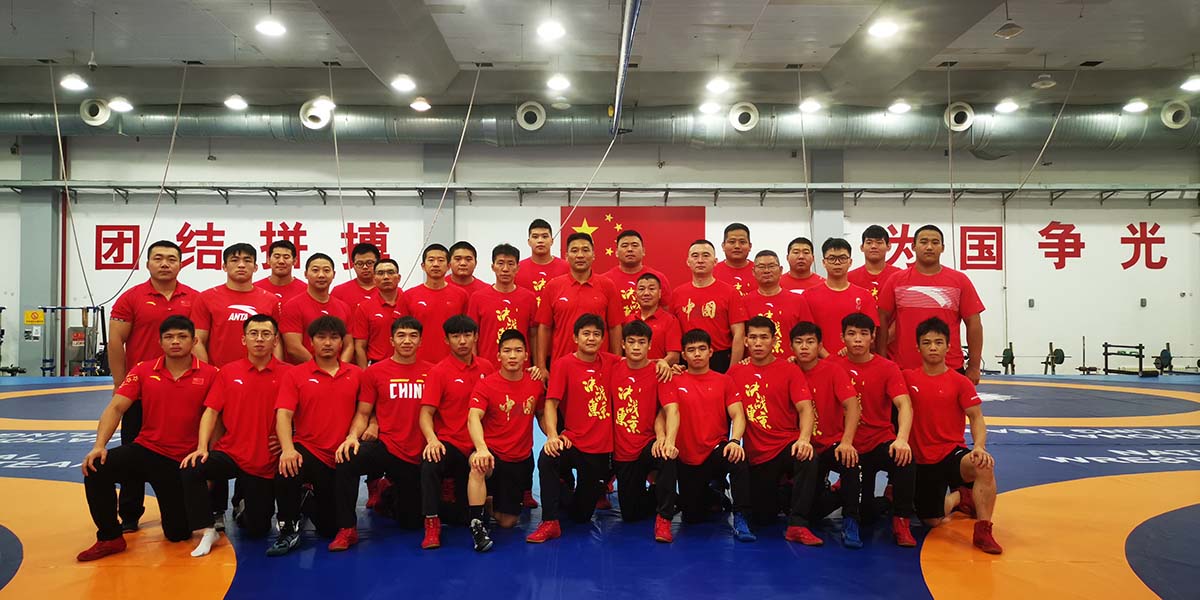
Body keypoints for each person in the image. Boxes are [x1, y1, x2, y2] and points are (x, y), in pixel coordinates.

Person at [76, 315, 218, 561]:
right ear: (160, 342)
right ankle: (110, 537)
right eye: (169, 337)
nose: (175, 342)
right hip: (147, 450)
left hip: (181, 461)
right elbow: (116, 408)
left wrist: (207, 470)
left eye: (182, 336)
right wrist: (99, 445)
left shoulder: (211, 374)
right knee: (97, 467)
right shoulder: (143, 370)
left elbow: (216, 420)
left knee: (178, 534)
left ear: (194, 341)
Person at [180, 314, 290, 557]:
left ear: (275, 340)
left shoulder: (289, 374)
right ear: (243, 339)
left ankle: (243, 503)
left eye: (266, 334)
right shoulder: (228, 372)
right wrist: (202, 447)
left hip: (265, 459)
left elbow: (302, 414)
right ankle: (208, 529)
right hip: (231, 452)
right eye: (253, 333)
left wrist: (288, 441)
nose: (259, 339)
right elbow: (211, 412)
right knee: (192, 467)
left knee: (257, 529)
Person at [107, 240, 197, 532]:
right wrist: (120, 383)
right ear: (147, 264)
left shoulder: (194, 298)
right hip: (142, 390)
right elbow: (115, 341)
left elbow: (200, 342)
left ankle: (191, 507)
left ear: (180, 264)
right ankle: (130, 513)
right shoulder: (131, 298)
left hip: (184, 389)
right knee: (133, 449)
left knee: (188, 449)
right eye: (158, 258)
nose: (165, 263)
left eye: (171, 258)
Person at [331, 317, 433, 549]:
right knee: (347, 458)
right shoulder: (374, 372)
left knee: (411, 523)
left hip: (417, 453)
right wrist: (352, 437)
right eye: (401, 335)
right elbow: (363, 413)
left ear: (420, 341)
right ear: (391, 340)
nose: (407, 341)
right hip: (387, 446)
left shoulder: (433, 372)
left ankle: (387, 492)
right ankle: (347, 528)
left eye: (413, 336)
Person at [904, 317, 1002, 554]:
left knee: (983, 465)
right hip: (921, 460)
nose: (933, 347)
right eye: (927, 343)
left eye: (939, 342)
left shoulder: (960, 382)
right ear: (918, 347)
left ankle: (983, 530)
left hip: (951, 454)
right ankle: (961, 497)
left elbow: (976, 417)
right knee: (932, 521)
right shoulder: (906, 378)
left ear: (948, 346)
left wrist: (979, 447)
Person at [727, 316, 822, 545]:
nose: (758, 343)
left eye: (764, 337)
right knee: (763, 517)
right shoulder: (735, 373)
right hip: (758, 456)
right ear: (746, 341)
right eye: (753, 338)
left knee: (808, 456)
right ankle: (785, 495)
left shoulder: (789, 370)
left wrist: (804, 439)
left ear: (774, 341)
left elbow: (805, 409)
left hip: (786, 445)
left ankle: (798, 525)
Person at [273, 316, 364, 553]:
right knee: (287, 468)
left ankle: (307, 499)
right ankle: (288, 529)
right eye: (321, 337)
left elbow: (364, 412)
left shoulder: (356, 374)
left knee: (329, 528)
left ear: (342, 342)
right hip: (310, 449)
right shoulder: (295, 375)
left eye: (334, 338)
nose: (327, 343)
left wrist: (354, 436)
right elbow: (284, 415)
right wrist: (287, 449)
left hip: (342, 455)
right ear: (311, 342)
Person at [526, 314, 618, 543]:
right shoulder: (563, 364)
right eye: (586, 334)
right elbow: (551, 403)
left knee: (581, 516)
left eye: (596, 334)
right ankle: (549, 522)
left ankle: (559, 490)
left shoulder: (613, 362)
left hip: (600, 450)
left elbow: (641, 362)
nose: (591, 338)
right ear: (575, 338)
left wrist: (664, 363)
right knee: (548, 457)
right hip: (572, 441)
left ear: (603, 339)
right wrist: (553, 436)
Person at [828, 312, 917, 547]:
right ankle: (858, 499)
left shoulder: (887, 368)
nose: (858, 339)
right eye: (851, 334)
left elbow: (904, 404)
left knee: (905, 459)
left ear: (872, 337)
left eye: (863, 334)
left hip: (878, 441)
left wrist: (902, 439)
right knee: (865, 515)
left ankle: (901, 521)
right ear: (842, 337)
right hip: (847, 446)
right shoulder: (832, 366)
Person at [663, 328, 755, 542]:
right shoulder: (673, 380)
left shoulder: (724, 381)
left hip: (715, 450)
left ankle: (741, 517)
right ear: (683, 355)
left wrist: (735, 441)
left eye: (702, 349)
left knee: (737, 457)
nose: (697, 354)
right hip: (686, 456)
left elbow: (738, 414)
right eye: (691, 350)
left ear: (711, 352)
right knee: (692, 517)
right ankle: (715, 495)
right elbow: (665, 412)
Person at [464, 329, 547, 552]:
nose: (512, 356)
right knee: (478, 464)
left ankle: (488, 503)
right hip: (492, 454)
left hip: (519, 459)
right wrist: (481, 448)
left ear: (526, 356)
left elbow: (541, 414)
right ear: (498, 355)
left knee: (507, 522)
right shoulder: (486, 384)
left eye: (518, 351)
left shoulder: (535, 383)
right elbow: (473, 416)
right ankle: (477, 525)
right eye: (507, 351)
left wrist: (553, 436)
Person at [418, 315, 493, 549]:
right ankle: (432, 524)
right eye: (455, 336)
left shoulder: (487, 367)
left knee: (465, 518)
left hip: (479, 445)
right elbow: (426, 413)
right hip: (451, 444)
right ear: (446, 340)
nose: (462, 341)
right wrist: (432, 440)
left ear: (476, 337)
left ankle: (485, 507)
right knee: (431, 460)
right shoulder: (439, 372)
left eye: (467, 335)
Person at [877, 224, 985, 384]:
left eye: (935, 242)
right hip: (905, 369)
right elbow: (881, 320)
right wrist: (881, 360)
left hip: (950, 368)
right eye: (923, 242)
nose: (929, 247)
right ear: (913, 246)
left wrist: (974, 366)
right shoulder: (896, 280)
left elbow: (974, 323)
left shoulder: (959, 281)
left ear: (943, 248)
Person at [790, 321, 864, 549]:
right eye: (799, 342)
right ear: (791, 346)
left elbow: (853, 406)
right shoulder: (787, 370)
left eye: (810, 342)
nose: (804, 347)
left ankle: (851, 520)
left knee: (850, 461)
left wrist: (846, 442)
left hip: (830, 444)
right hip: (799, 447)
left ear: (820, 345)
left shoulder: (833, 370)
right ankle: (827, 497)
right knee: (796, 509)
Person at [610, 319, 680, 542]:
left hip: (648, 444)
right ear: (623, 344)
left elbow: (672, 409)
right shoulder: (612, 367)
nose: (636, 347)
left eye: (642, 342)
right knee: (630, 514)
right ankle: (668, 496)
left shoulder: (659, 371)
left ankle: (664, 518)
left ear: (649, 345)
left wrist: (668, 441)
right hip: (622, 452)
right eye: (631, 342)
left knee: (667, 455)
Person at [533, 232, 623, 372]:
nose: (580, 255)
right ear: (566, 256)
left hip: (599, 368)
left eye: (585, 250)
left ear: (593, 255)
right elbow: (544, 328)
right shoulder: (553, 286)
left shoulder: (607, 286)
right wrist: (541, 366)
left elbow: (614, 327)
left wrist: (617, 364)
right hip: (561, 367)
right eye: (574, 251)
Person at [192, 243, 282, 367]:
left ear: (255, 267)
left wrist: (276, 371)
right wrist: (208, 372)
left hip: (261, 372)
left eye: (247, 260)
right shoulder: (206, 298)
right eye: (234, 260)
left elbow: (276, 342)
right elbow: (197, 340)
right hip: (219, 373)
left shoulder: (270, 300)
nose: (241, 265)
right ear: (224, 266)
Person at [673, 239, 747, 373]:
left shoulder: (730, 292)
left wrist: (732, 371)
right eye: (695, 256)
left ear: (715, 261)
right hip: (688, 360)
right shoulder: (677, 294)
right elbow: (672, 334)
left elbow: (739, 334)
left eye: (706, 255)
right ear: (688, 261)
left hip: (721, 359)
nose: (700, 260)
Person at [802, 238, 878, 357]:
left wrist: (851, 350)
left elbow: (870, 331)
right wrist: (828, 358)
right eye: (832, 258)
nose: (837, 263)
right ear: (824, 262)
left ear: (850, 262)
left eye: (842, 258)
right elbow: (806, 332)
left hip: (854, 359)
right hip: (819, 362)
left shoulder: (865, 296)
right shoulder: (808, 295)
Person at [467, 244, 538, 367]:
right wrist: (474, 365)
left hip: (520, 369)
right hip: (488, 368)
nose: (505, 269)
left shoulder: (529, 298)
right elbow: (472, 336)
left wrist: (537, 365)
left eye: (510, 264)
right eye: (500, 263)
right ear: (493, 267)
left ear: (517, 268)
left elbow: (534, 335)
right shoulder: (478, 297)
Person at [280, 253, 355, 364]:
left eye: (326, 270)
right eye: (315, 270)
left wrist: (339, 368)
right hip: (304, 370)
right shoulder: (292, 306)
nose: (321, 275)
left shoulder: (343, 307)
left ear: (334, 274)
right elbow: (293, 347)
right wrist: (320, 368)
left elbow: (348, 345)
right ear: (305, 274)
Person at [743, 250, 814, 360]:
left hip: (791, 364)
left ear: (781, 270)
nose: (767, 271)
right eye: (761, 267)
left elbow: (809, 335)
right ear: (753, 271)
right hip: (756, 365)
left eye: (771, 266)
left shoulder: (797, 300)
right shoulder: (744, 302)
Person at [407, 244, 471, 364]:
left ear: (448, 266)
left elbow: (468, 331)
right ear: (423, 266)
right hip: (417, 362)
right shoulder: (409, 295)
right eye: (431, 260)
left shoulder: (461, 295)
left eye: (440, 260)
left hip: (453, 362)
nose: (436, 264)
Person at [351, 258, 410, 367]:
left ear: (399, 278)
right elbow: (360, 346)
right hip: (377, 366)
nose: (386, 277)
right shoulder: (364, 307)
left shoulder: (410, 303)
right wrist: (365, 373)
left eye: (390, 272)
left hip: (408, 365)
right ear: (374, 279)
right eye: (380, 273)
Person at [602, 230, 673, 316]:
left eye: (635, 245)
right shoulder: (604, 281)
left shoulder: (658, 278)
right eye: (624, 246)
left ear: (643, 251)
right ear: (616, 252)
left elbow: (667, 311)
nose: (630, 249)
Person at [514, 218, 570, 312]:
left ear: (552, 241)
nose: (540, 240)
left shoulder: (566, 267)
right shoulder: (517, 269)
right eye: (535, 237)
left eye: (544, 236)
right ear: (529, 242)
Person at [625, 273, 681, 366]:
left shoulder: (670, 321)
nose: (646, 293)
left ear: (659, 293)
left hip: (658, 372)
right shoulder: (628, 320)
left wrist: (652, 367)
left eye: (651, 289)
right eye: (641, 289)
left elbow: (674, 356)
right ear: (635, 294)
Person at [847, 225, 903, 300]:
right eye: (869, 242)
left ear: (888, 246)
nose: (873, 246)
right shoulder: (849, 278)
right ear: (862, 247)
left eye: (879, 242)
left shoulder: (899, 276)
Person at [255, 239, 308, 305]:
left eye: (286, 257)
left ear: (295, 261)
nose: (281, 261)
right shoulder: (255, 288)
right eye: (277, 257)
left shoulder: (306, 290)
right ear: (268, 260)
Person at [331, 242, 381, 307]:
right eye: (360, 264)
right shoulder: (339, 292)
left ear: (378, 264)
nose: (365, 267)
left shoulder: (389, 290)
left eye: (369, 263)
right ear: (353, 266)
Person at [713, 222, 753, 296]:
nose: (737, 246)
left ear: (750, 246)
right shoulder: (712, 272)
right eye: (732, 242)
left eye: (742, 242)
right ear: (723, 246)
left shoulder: (760, 271)